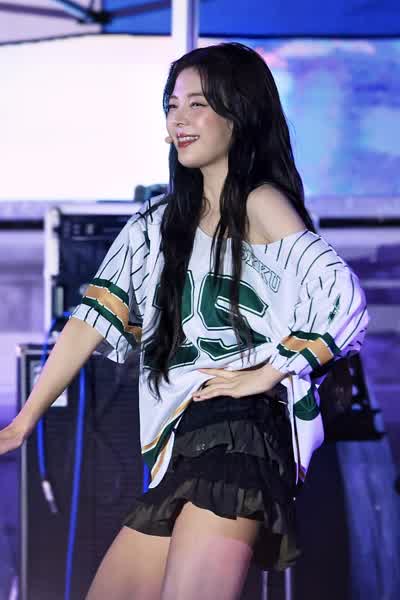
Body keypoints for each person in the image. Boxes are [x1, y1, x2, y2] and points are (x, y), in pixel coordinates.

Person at [0, 42, 369, 600]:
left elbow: (342, 296)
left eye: (198, 104)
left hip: (242, 433)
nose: (180, 119)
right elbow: (90, 320)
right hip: (182, 439)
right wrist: (23, 422)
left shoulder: (260, 202)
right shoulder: (155, 223)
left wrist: (269, 371)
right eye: (172, 106)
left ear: (239, 113)